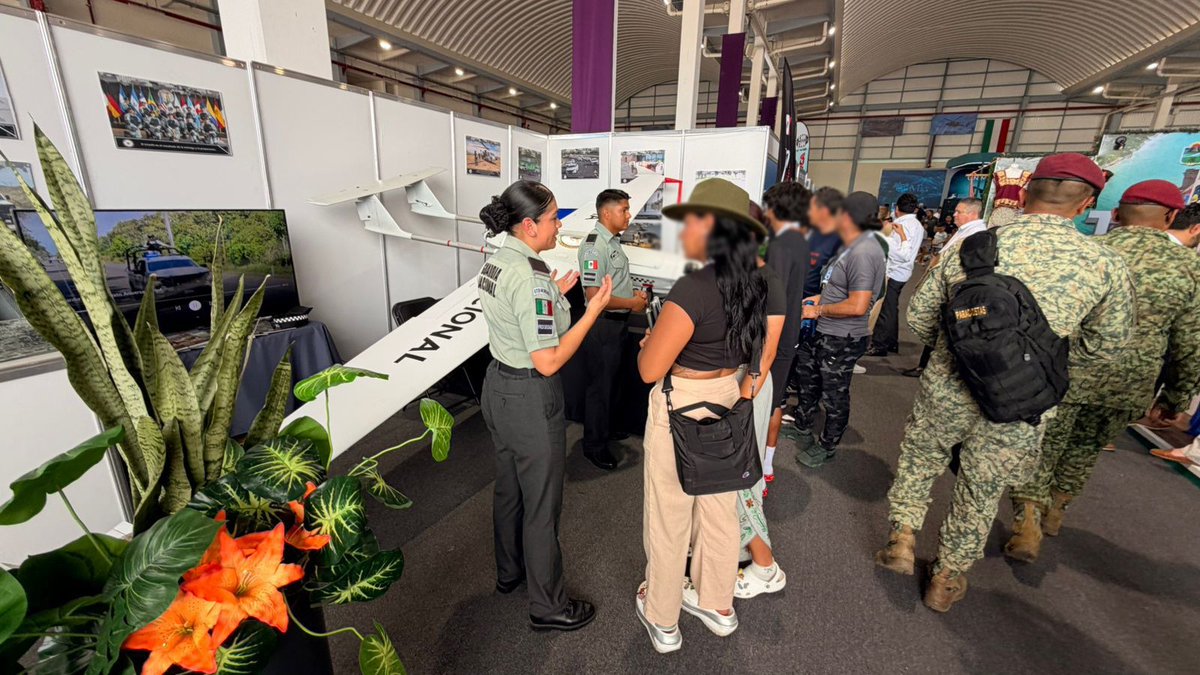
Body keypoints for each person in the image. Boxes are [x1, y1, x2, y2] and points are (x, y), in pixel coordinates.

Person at [875, 154, 1136, 613]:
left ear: (1027, 192)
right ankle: (948, 578)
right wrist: (1041, 366)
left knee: (921, 458)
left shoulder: (974, 245)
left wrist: (960, 352)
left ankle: (901, 538)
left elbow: (918, 316)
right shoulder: (1104, 265)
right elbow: (1105, 348)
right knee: (982, 486)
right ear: (1087, 204)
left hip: (949, 387)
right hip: (1022, 403)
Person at [1006, 182, 1200, 561]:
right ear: (1172, 216)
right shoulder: (1191, 269)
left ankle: (1027, 520)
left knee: (1044, 448)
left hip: (1068, 374)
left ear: (1114, 214)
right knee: (1085, 447)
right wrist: (1176, 396)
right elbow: (1190, 342)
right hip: (1130, 383)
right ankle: (1057, 510)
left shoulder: (1092, 253)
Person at [635, 178, 768, 653]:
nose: (684, 228)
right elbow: (756, 355)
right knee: (719, 510)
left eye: (692, 219)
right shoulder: (753, 280)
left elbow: (650, 370)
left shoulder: (694, 288)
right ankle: (717, 602)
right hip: (727, 397)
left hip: (680, 402)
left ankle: (664, 618)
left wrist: (652, 344)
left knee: (670, 514)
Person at [476, 180, 614, 631]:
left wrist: (554, 291)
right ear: (530, 225)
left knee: (509, 488)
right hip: (530, 398)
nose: (560, 227)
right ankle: (548, 606)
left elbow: (519, 318)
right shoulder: (529, 277)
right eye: (555, 219)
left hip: (497, 386)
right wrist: (591, 311)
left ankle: (509, 573)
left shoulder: (499, 261)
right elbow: (549, 359)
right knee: (542, 505)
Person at [789, 189, 888, 469]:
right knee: (808, 379)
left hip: (842, 337)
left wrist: (817, 309)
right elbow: (838, 287)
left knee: (835, 394)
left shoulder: (865, 252)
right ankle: (802, 425)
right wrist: (820, 298)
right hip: (824, 330)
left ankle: (827, 444)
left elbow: (858, 305)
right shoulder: (850, 246)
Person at [733, 206, 788, 598]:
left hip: (749, 385)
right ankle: (736, 547)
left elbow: (766, 351)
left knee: (742, 475)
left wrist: (746, 394)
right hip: (738, 384)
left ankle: (765, 565)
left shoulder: (767, 278)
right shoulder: (743, 275)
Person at [577, 189, 649, 470]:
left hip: (617, 324)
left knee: (613, 383)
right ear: (607, 213)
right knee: (600, 388)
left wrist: (634, 297)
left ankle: (607, 428)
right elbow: (596, 297)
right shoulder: (595, 246)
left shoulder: (613, 243)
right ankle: (594, 446)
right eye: (624, 210)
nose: (628, 215)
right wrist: (632, 303)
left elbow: (615, 282)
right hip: (602, 326)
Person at [759, 182, 812, 487]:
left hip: (773, 339)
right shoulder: (799, 241)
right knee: (776, 402)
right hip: (789, 334)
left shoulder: (779, 246)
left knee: (763, 404)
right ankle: (767, 466)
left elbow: (771, 296)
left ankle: (758, 473)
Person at [902, 198, 987, 378]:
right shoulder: (965, 231)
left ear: (973, 213)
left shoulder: (975, 234)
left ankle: (929, 368)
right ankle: (924, 365)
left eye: (959, 212)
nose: (954, 215)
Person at [865, 192, 925, 357]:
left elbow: (900, 253)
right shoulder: (917, 225)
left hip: (893, 271)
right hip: (902, 272)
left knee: (885, 310)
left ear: (897, 209)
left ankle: (880, 344)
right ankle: (890, 341)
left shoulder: (900, 226)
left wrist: (892, 238)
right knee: (891, 308)